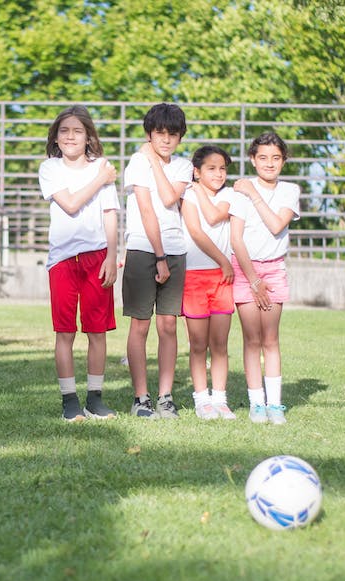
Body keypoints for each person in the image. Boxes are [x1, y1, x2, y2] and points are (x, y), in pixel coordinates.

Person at [38, 105, 120, 422]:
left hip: (96, 256)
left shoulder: (102, 166)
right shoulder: (50, 168)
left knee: (97, 332)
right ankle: (69, 400)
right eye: (64, 131)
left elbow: (110, 213)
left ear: (88, 137)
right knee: (65, 332)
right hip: (62, 259)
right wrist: (99, 179)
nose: (70, 136)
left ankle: (95, 400)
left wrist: (112, 255)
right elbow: (70, 204)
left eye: (77, 130)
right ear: (56, 138)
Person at [121, 103, 193, 419]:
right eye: (159, 133)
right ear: (149, 133)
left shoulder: (182, 166)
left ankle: (165, 397)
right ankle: (141, 398)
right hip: (142, 249)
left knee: (168, 325)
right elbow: (147, 209)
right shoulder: (137, 162)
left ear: (180, 137)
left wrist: (154, 159)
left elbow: (167, 199)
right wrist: (159, 256)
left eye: (172, 134)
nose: (165, 140)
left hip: (176, 251)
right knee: (140, 325)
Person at [230, 131, 300, 425]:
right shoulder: (239, 193)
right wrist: (253, 280)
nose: (269, 164)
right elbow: (236, 239)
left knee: (271, 339)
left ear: (283, 161)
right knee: (252, 339)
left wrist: (253, 193)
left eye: (275, 158)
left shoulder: (288, 191)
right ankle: (257, 404)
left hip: (274, 269)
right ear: (252, 159)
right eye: (262, 158)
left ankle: (275, 404)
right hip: (245, 270)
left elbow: (275, 225)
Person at [179, 145, 240, 420]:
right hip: (194, 277)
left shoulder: (229, 195)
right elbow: (196, 231)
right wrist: (223, 260)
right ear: (197, 171)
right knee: (197, 344)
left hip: (221, 279)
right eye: (211, 168)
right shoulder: (187, 195)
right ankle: (201, 399)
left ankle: (220, 398)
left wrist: (200, 189)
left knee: (220, 344)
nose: (218, 174)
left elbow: (215, 217)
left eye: (222, 168)